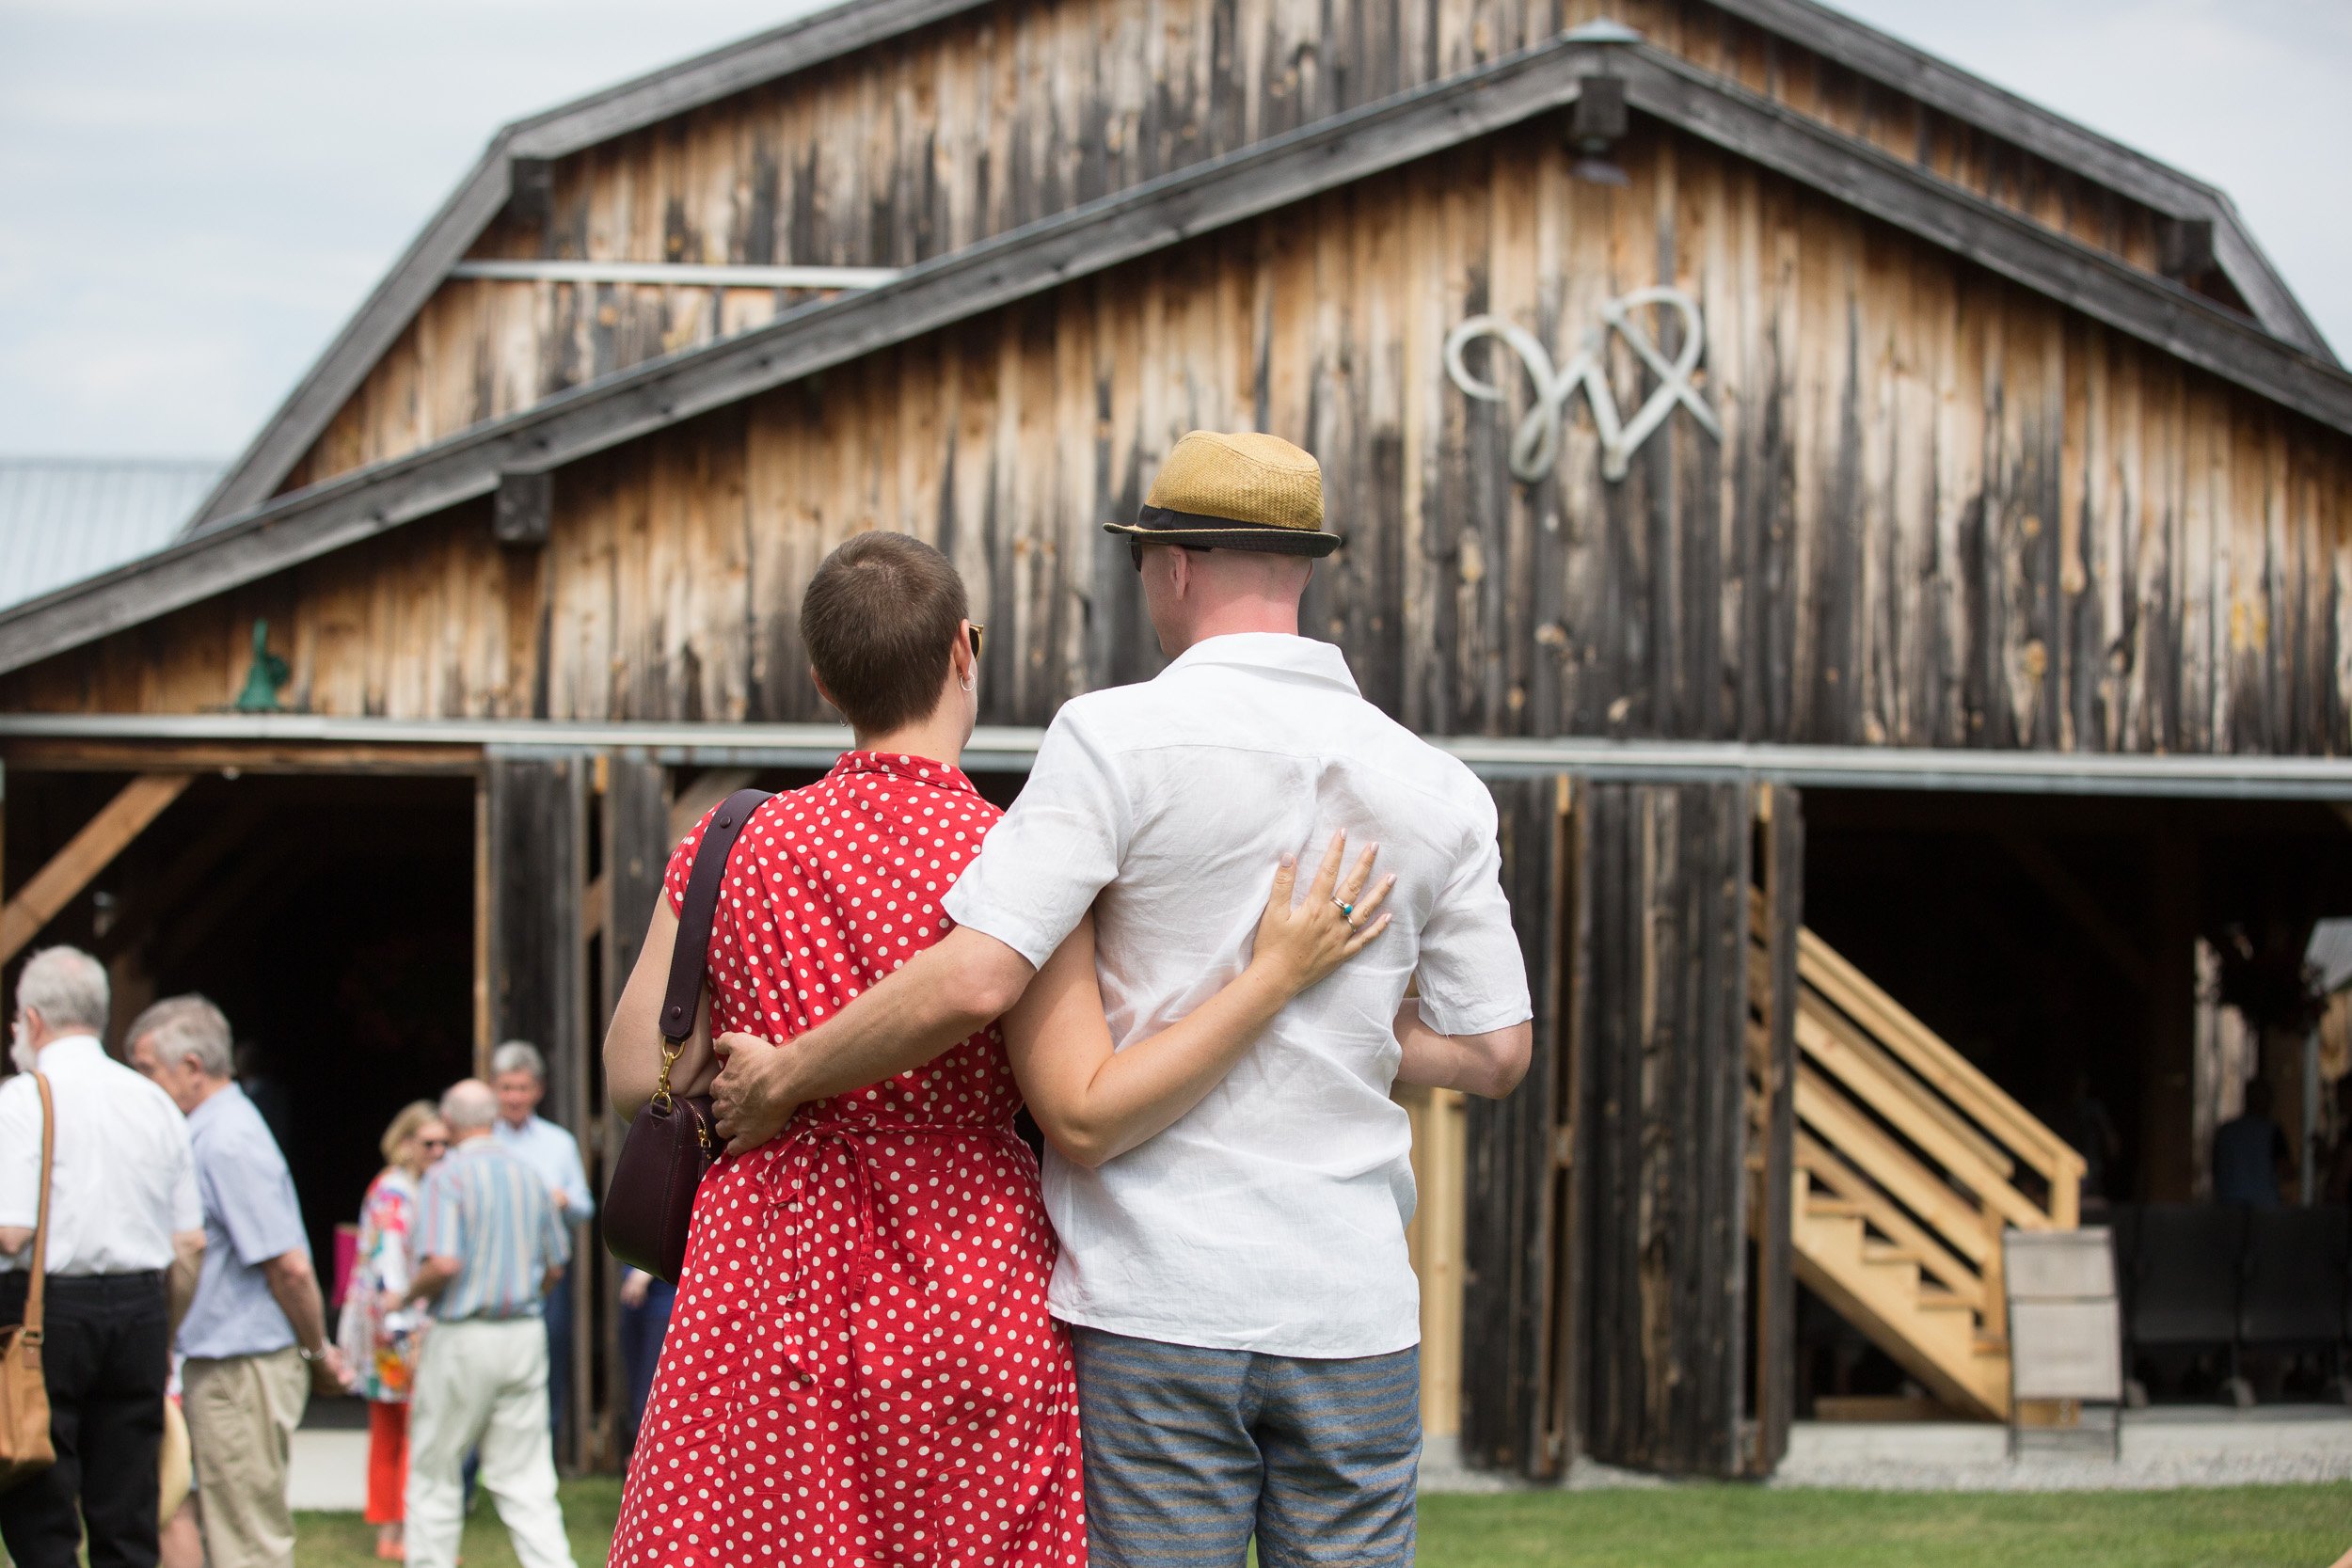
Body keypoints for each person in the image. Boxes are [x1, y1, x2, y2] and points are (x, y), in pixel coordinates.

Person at [706, 432, 1534, 1568]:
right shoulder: (1439, 785)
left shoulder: (1114, 736)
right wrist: (1354, 1025)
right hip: (1351, 1305)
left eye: (1144, 558)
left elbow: (981, 972)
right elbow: (1494, 1051)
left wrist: (787, 1073)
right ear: (1302, 566)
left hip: (1161, 1295)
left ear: (1178, 567)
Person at [601, 530, 1393, 1568]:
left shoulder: (728, 841)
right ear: (963, 651)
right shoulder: (1021, 852)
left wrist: (780, 1079)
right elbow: (1072, 1074)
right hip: (964, 1259)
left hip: (767, 1257)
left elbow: (632, 1076)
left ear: (822, 676)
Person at [127, 994, 351, 1568]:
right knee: (215, 1522)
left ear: (192, 1069)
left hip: (241, 1365)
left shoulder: (227, 1138)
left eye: (148, 1070)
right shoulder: (212, 1130)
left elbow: (289, 1265)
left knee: (247, 1542)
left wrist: (317, 1350)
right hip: (225, 1362)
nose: (140, 1083)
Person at [0, 947, 206, 1568]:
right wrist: (165, 1326)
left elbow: (11, 1232)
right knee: (128, 1508)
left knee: (41, 1502)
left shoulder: (22, 1099)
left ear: (31, 1020)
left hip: (47, 1311)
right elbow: (189, 1239)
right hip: (142, 1308)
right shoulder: (153, 1101)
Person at [403, 1079, 576, 1568]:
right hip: (522, 1332)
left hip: (464, 1333)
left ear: (451, 1122)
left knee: (436, 1470)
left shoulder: (446, 1177)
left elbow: (443, 1263)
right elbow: (556, 1266)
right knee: (527, 1478)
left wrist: (404, 1295)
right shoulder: (529, 1174)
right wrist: (525, 1294)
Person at [338, 1101, 450, 1562]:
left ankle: (392, 1532)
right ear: (406, 1144)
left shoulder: (402, 1186)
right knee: (411, 1426)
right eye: (429, 1143)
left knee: (392, 1426)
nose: (439, 1151)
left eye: (444, 1142)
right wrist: (408, 1327)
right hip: (396, 1327)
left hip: (389, 1324)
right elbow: (388, 1266)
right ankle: (402, 1532)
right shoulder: (397, 1192)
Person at [485, 1040, 592, 1447]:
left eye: (522, 1088)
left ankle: (541, 1457)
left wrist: (562, 1201)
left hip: (547, 1275)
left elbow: (584, 1206)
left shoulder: (557, 1142)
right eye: (506, 1087)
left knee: (548, 1362)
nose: (514, 1097)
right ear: (494, 1089)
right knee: (489, 1367)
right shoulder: (482, 1142)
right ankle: (477, 1466)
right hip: (492, 1273)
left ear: (538, 1091)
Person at [612, 1268, 672, 1457]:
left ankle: (653, 1464)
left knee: (652, 1397)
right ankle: (638, 1465)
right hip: (635, 1299)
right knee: (638, 1398)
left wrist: (644, 1272)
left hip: (665, 1299)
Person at [2212, 1077, 2294, 1209]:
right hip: (2262, 1207)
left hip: (2230, 1205)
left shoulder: (2226, 1131)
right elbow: (2286, 1170)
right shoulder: (2271, 1131)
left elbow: (2216, 1168)